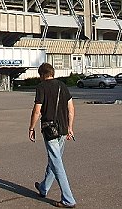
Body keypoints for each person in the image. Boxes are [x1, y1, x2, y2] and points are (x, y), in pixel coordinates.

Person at [28, 62, 77, 208]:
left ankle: (68, 200)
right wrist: (70, 127)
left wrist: (31, 128)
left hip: (50, 130)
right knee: (55, 159)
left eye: (40, 76)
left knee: (57, 163)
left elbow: (37, 110)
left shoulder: (41, 87)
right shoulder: (62, 85)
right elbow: (71, 109)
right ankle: (43, 188)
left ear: (43, 75)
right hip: (62, 129)